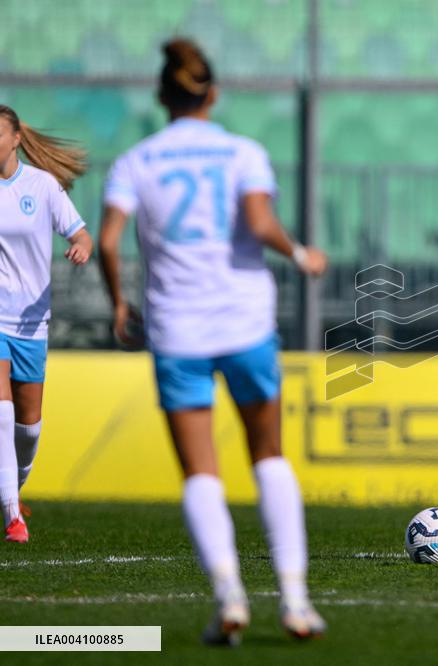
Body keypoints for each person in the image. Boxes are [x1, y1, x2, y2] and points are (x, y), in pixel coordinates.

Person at [98, 39, 328, 644]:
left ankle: (229, 596)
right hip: (244, 322)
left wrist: (119, 301)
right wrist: (301, 253)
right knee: (268, 454)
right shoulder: (241, 152)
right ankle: (297, 602)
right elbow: (257, 223)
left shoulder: (136, 160)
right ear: (213, 93)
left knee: (201, 471)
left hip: (177, 328)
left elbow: (106, 241)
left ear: (161, 97)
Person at [0, 105, 93, 544]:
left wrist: (81, 247)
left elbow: (79, 232)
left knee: (28, 428)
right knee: (1, 414)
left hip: (32, 322)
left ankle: (11, 492)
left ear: (17, 138)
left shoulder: (43, 185)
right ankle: (12, 516)